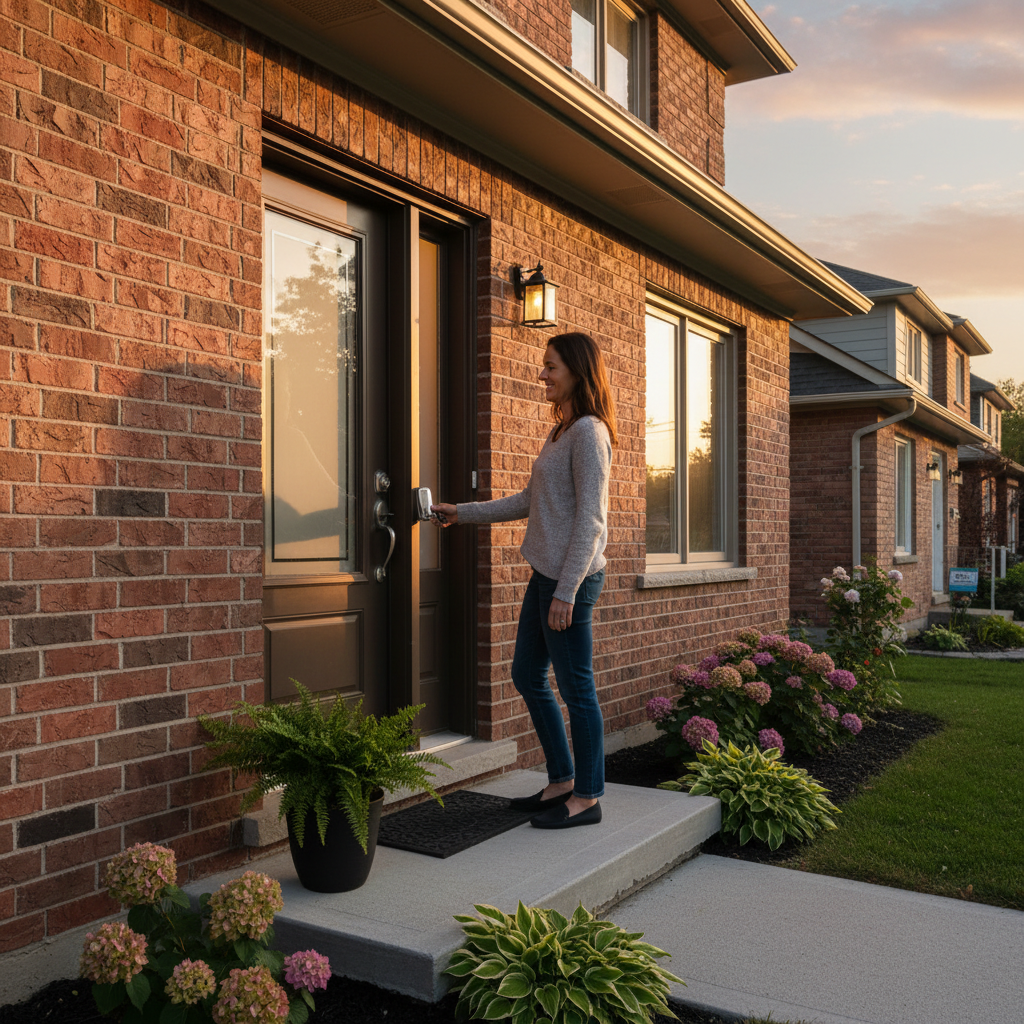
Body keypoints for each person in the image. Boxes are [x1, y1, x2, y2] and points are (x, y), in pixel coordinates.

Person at [431, 332, 616, 829]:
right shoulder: (560, 432)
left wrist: (567, 591)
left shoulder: (589, 434)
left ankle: (589, 796)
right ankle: (560, 781)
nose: (542, 375)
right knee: (526, 675)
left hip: (569, 580)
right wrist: (460, 513)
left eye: (551, 366)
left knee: (577, 689)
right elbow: (527, 501)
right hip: (547, 574)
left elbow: (591, 522)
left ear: (578, 371)